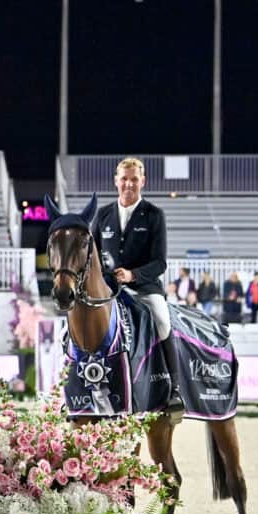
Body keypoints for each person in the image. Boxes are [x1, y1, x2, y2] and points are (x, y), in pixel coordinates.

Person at [92, 156, 185, 423]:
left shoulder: (154, 215)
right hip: (109, 291)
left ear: (142, 181)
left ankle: (174, 389)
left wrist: (133, 274)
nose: (129, 184)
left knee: (162, 319)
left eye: (134, 179)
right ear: (116, 181)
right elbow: (93, 255)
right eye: (124, 179)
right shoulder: (103, 215)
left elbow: (160, 262)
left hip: (144, 288)